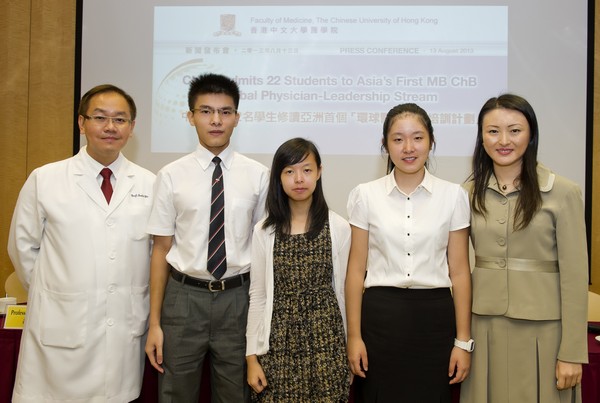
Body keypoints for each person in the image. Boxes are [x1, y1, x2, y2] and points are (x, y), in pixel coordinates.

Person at [7, 84, 156, 402]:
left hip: (122, 332)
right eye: (100, 117)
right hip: (61, 329)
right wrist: (57, 294)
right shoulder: (45, 179)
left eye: (120, 119)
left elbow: (154, 254)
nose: (110, 127)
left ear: (132, 127)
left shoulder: (149, 184)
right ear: (81, 122)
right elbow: (22, 248)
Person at [145, 73, 269, 402]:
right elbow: (160, 251)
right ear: (190, 117)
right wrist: (154, 322)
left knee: (235, 395)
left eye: (225, 112)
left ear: (237, 118)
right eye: (206, 111)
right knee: (176, 394)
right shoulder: (170, 176)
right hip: (183, 298)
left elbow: (262, 252)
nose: (216, 120)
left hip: (237, 298)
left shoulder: (258, 176)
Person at [459, 94, 589, 403]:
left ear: (531, 135)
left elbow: (574, 278)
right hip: (485, 328)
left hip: (544, 332)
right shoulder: (466, 194)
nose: (503, 140)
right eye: (492, 131)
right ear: (481, 137)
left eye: (514, 130)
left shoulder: (563, 192)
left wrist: (572, 352)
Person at [345, 103, 472, 402]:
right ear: (385, 145)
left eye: (417, 137)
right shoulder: (365, 194)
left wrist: (462, 342)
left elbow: (460, 272)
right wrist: (353, 337)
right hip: (380, 321)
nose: (408, 147)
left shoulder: (454, 195)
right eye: (398, 139)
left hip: (435, 322)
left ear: (431, 141)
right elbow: (355, 271)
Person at [246, 138, 351, 402]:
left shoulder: (338, 227)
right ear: (278, 178)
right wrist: (251, 358)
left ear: (319, 172)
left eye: (306, 169)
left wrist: (349, 346)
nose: (299, 179)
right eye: (289, 171)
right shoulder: (264, 231)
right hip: (277, 345)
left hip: (327, 343)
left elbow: (344, 292)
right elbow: (258, 296)